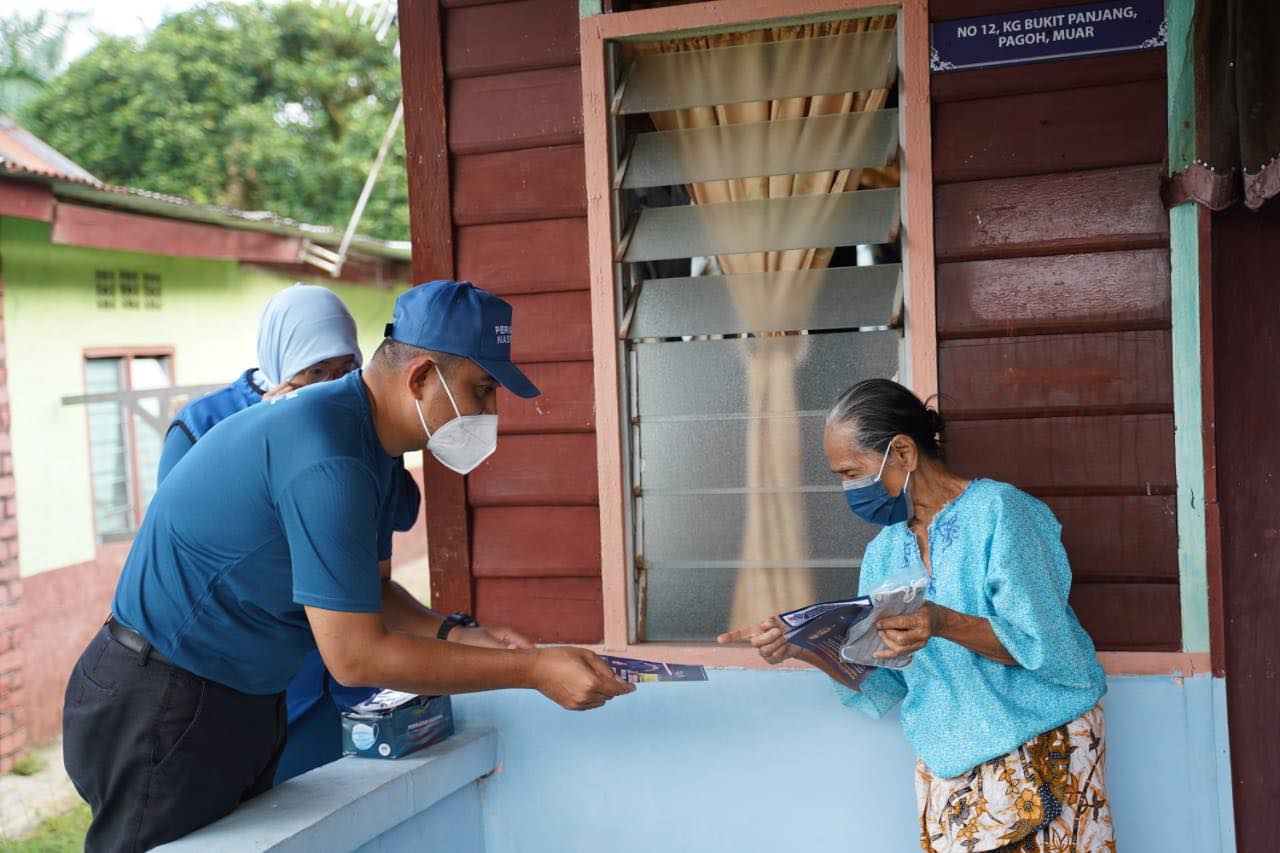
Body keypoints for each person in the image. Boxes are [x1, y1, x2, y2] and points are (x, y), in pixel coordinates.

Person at [63, 280, 635, 851]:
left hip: (242, 697)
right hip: (163, 697)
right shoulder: (330, 455)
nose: (490, 412)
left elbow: (373, 589)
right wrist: (532, 671)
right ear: (420, 377)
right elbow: (357, 656)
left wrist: (460, 633)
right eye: (482, 390)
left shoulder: (373, 446)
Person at [720, 379, 1112, 852]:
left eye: (852, 472)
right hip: (949, 766)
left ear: (903, 452)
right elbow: (890, 681)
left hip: (1040, 745)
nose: (848, 489)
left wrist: (942, 622)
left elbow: (1045, 646)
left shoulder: (1000, 513)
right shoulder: (883, 552)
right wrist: (805, 647)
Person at [156, 282, 435, 783]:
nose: (330, 385)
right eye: (315, 373)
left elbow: (395, 517)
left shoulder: (359, 422)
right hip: (250, 673)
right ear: (282, 365)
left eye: (344, 370)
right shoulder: (205, 425)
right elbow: (186, 553)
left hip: (350, 665)